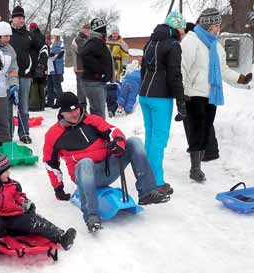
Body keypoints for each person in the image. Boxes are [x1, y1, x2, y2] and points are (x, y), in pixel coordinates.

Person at [43, 92, 170, 233]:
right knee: (85, 162)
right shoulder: (53, 134)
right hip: (85, 175)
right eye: (69, 111)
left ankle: (147, 192)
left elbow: (113, 131)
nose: (74, 114)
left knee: (134, 142)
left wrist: (119, 142)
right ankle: (92, 216)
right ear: (61, 113)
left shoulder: (92, 120)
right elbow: (50, 164)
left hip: (108, 169)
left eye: (76, 109)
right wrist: (58, 189)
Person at [0, 153, 76, 266]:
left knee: (34, 220)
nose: (9, 173)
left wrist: (26, 203)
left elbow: (19, 196)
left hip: (14, 217)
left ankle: (61, 237)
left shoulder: (13, 184)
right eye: (5, 171)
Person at [181, 8, 252, 182]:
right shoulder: (192, 41)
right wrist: (181, 93)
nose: (218, 29)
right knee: (197, 130)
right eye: (215, 25)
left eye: (219, 25)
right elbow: (182, 67)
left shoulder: (216, 46)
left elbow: (224, 70)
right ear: (206, 25)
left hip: (210, 94)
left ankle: (199, 163)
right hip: (193, 94)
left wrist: (240, 79)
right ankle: (195, 168)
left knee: (205, 129)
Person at [139, 11, 187, 196]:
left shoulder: (150, 42)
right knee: (159, 140)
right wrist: (181, 103)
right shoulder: (173, 45)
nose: (183, 33)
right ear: (176, 27)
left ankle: (145, 176)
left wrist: (144, 90)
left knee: (150, 137)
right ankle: (156, 182)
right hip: (160, 98)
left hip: (145, 95)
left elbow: (144, 71)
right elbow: (175, 76)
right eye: (182, 29)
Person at [9, 5, 48, 144]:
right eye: (18, 17)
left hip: (25, 76)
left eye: (23, 18)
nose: (21, 20)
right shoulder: (6, 34)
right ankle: (8, 135)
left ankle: (24, 133)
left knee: (24, 107)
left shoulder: (30, 36)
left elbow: (44, 47)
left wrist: (41, 65)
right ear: (12, 19)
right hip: (7, 77)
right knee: (7, 108)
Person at [182, 22, 220, 162]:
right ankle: (209, 151)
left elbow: (185, 68)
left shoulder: (193, 41)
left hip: (194, 90)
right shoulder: (205, 42)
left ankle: (204, 153)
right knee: (204, 122)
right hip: (203, 90)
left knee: (195, 123)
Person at [82, 18, 114, 118]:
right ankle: (99, 133)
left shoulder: (96, 41)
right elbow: (85, 55)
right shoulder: (95, 42)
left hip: (96, 82)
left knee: (97, 111)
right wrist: (100, 71)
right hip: (94, 83)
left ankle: (97, 132)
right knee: (98, 113)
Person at [28, 22, 47, 112]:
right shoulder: (42, 36)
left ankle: (34, 105)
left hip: (34, 61)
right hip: (42, 62)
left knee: (34, 83)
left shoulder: (31, 36)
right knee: (40, 83)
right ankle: (42, 104)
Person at [71, 24, 91, 109]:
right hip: (80, 67)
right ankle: (82, 107)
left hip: (86, 67)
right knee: (81, 88)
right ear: (82, 30)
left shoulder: (86, 39)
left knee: (86, 87)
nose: (88, 32)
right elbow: (82, 52)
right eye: (86, 30)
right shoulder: (79, 39)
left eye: (89, 30)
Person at [46, 28, 65, 108]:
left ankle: (60, 101)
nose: (52, 37)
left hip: (56, 68)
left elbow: (57, 54)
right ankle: (50, 101)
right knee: (49, 84)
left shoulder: (60, 44)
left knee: (57, 86)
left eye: (53, 35)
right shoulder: (51, 44)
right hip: (50, 68)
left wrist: (51, 54)